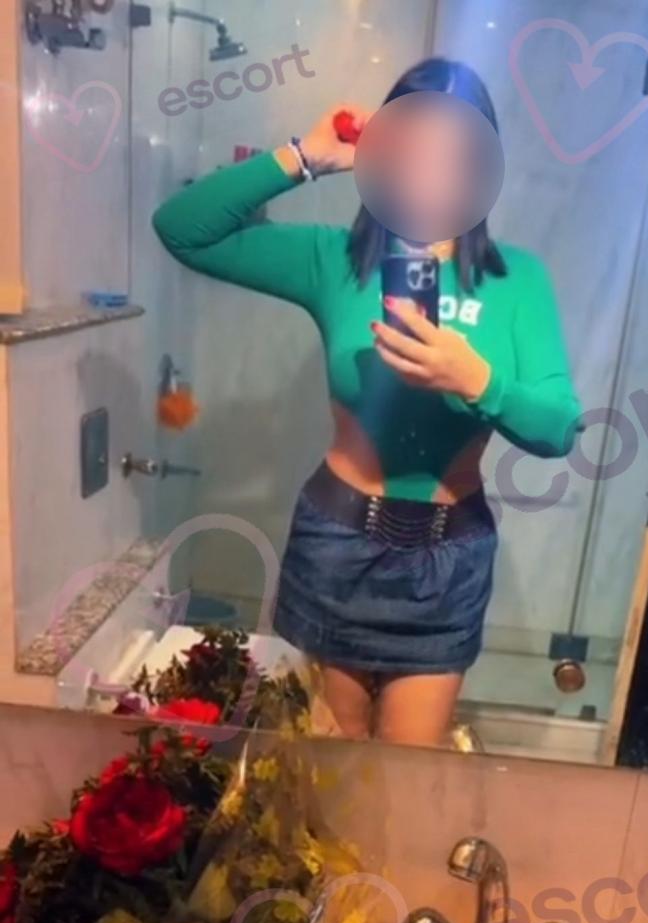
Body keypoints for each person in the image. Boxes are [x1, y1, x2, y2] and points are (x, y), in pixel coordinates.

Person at [153, 57, 582, 747]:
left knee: (408, 776)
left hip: (448, 559)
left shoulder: (516, 279)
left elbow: (559, 428)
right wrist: (306, 156)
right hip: (337, 542)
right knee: (327, 776)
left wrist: (479, 382)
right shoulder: (335, 260)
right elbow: (183, 228)